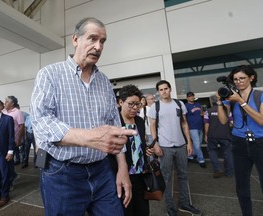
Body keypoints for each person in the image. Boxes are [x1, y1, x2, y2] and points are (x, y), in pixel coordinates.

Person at [30, 17, 136, 216]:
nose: (98, 46)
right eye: (92, 39)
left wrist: (122, 167)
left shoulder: (104, 81)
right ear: (75, 39)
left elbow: (115, 128)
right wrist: (91, 138)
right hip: (63, 174)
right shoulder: (49, 74)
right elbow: (41, 122)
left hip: (103, 172)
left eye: (102, 41)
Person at [149, 80, 202, 216]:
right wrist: (155, 144)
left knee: (183, 175)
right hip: (165, 147)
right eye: (161, 90)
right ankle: (170, 207)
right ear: (158, 92)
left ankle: (184, 203)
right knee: (166, 178)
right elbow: (152, 126)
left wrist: (189, 143)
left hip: (181, 146)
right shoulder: (155, 106)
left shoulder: (179, 104)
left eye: (166, 88)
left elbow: (184, 124)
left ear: (170, 89)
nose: (164, 91)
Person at [216, 65, 263, 216]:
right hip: (239, 142)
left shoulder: (259, 95)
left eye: (242, 78)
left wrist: (241, 101)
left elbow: (261, 121)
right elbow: (223, 121)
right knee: (241, 184)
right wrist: (219, 103)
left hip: (260, 142)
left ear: (251, 78)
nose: (238, 82)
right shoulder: (231, 97)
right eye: (235, 79)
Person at [115, 85, 154, 216]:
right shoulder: (115, 122)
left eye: (138, 104)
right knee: (126, 211)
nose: (135, 108)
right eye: (131, 104)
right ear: (121, 102)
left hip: (140, 175)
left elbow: (140, 142)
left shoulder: (139, 121)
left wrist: (146, 149)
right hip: (122, 176)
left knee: (143, 211)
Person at [204, 95, 233, 178]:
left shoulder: (208, 111)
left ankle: (217, 169)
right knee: (228, 153)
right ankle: (229, 172)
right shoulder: (227, 111)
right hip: (226, 135)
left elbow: (207, 124)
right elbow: (232, 123)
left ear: (211, 102)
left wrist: (206, 135)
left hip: (212, 135)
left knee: (212, 151)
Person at [185, 91, 206, 168]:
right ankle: (201, 160)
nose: (191, 97)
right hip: (192, 128)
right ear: (187, 98)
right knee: (197, 144)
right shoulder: (186, 106)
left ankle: (190, 156)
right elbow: (183, 118)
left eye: (192, 96)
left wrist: (202, 114)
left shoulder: (198, 104)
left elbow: (201, 113)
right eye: (189, 96)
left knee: (197, 144)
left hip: (200, 127)